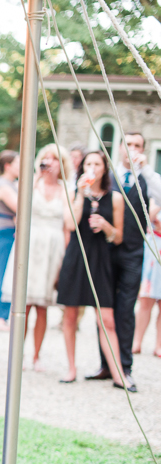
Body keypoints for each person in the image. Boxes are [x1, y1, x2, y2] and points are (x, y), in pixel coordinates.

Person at [85, 132, 161, 392]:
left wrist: (146, 169)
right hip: (104, 251)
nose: (131, 149)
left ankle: (124, 368)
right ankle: (106, 364)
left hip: (132, 252)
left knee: (125, 309)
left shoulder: (147, 179)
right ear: (119, 148)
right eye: (127, 144)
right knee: (103, 307)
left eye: (137, 145)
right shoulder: (106, 176)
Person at [1, 145, 73, 371]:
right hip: (30, 244)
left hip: (54, 247)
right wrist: (35, 179)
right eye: (46, 158)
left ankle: (36, 356)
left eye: (54, 159)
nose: (49, 162)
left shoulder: (66, 189)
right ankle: (17, 354)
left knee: (43, 306)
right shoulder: (32, 183)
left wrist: (65, 259)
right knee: (23, 303)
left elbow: (67, 226)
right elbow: (19, 209)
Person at [57, 151, 124, 385]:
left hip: (101, 260)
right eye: (88, 163)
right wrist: (81, 194)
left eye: (97, 163)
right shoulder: (74, 192)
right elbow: (70, 224)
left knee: (107, 319)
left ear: (105, 168)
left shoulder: (115, 198)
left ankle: (118, 374)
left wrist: (106, 226)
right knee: (70, 316)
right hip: (77, 256)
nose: (93, 167)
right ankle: (71, 369)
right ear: (82, 167)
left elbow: (118, 237)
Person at [0, 150, 20, 331]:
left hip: (12, 231)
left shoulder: (13, 184)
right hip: (5, 231)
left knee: (11, 275)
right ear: (8, 166)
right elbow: (19, 206)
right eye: (17, 163)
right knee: (2, 273)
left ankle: (1, 315)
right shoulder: (2, 185)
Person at [133, 212, 161, 357]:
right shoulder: (156, 194)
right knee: (146, 300)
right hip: (154, 245)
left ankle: (159, 345)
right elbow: (148, 217)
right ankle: (137, 341)